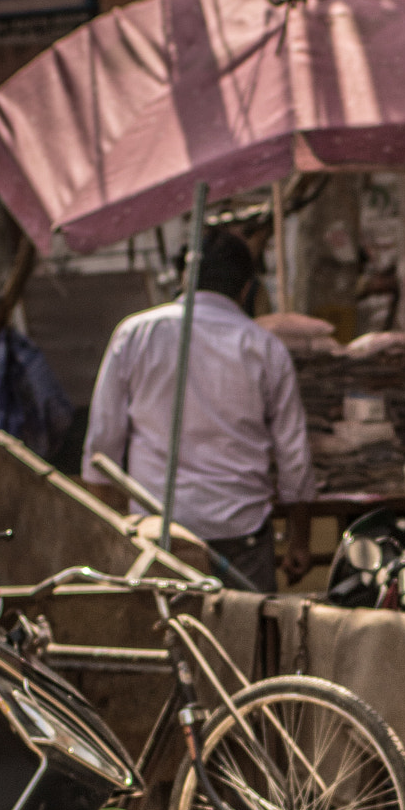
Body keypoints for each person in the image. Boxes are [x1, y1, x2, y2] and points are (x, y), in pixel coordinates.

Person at [83, 228, 315, 592]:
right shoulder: (264, 347)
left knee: (166, 642)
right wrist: (300, 539)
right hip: (239, 531)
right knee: (246, 645)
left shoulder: (136, 334)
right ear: (246, 288)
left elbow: (101, 449)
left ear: (182, 277)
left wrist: (109, 534)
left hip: (160, 533)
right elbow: (294, 457)